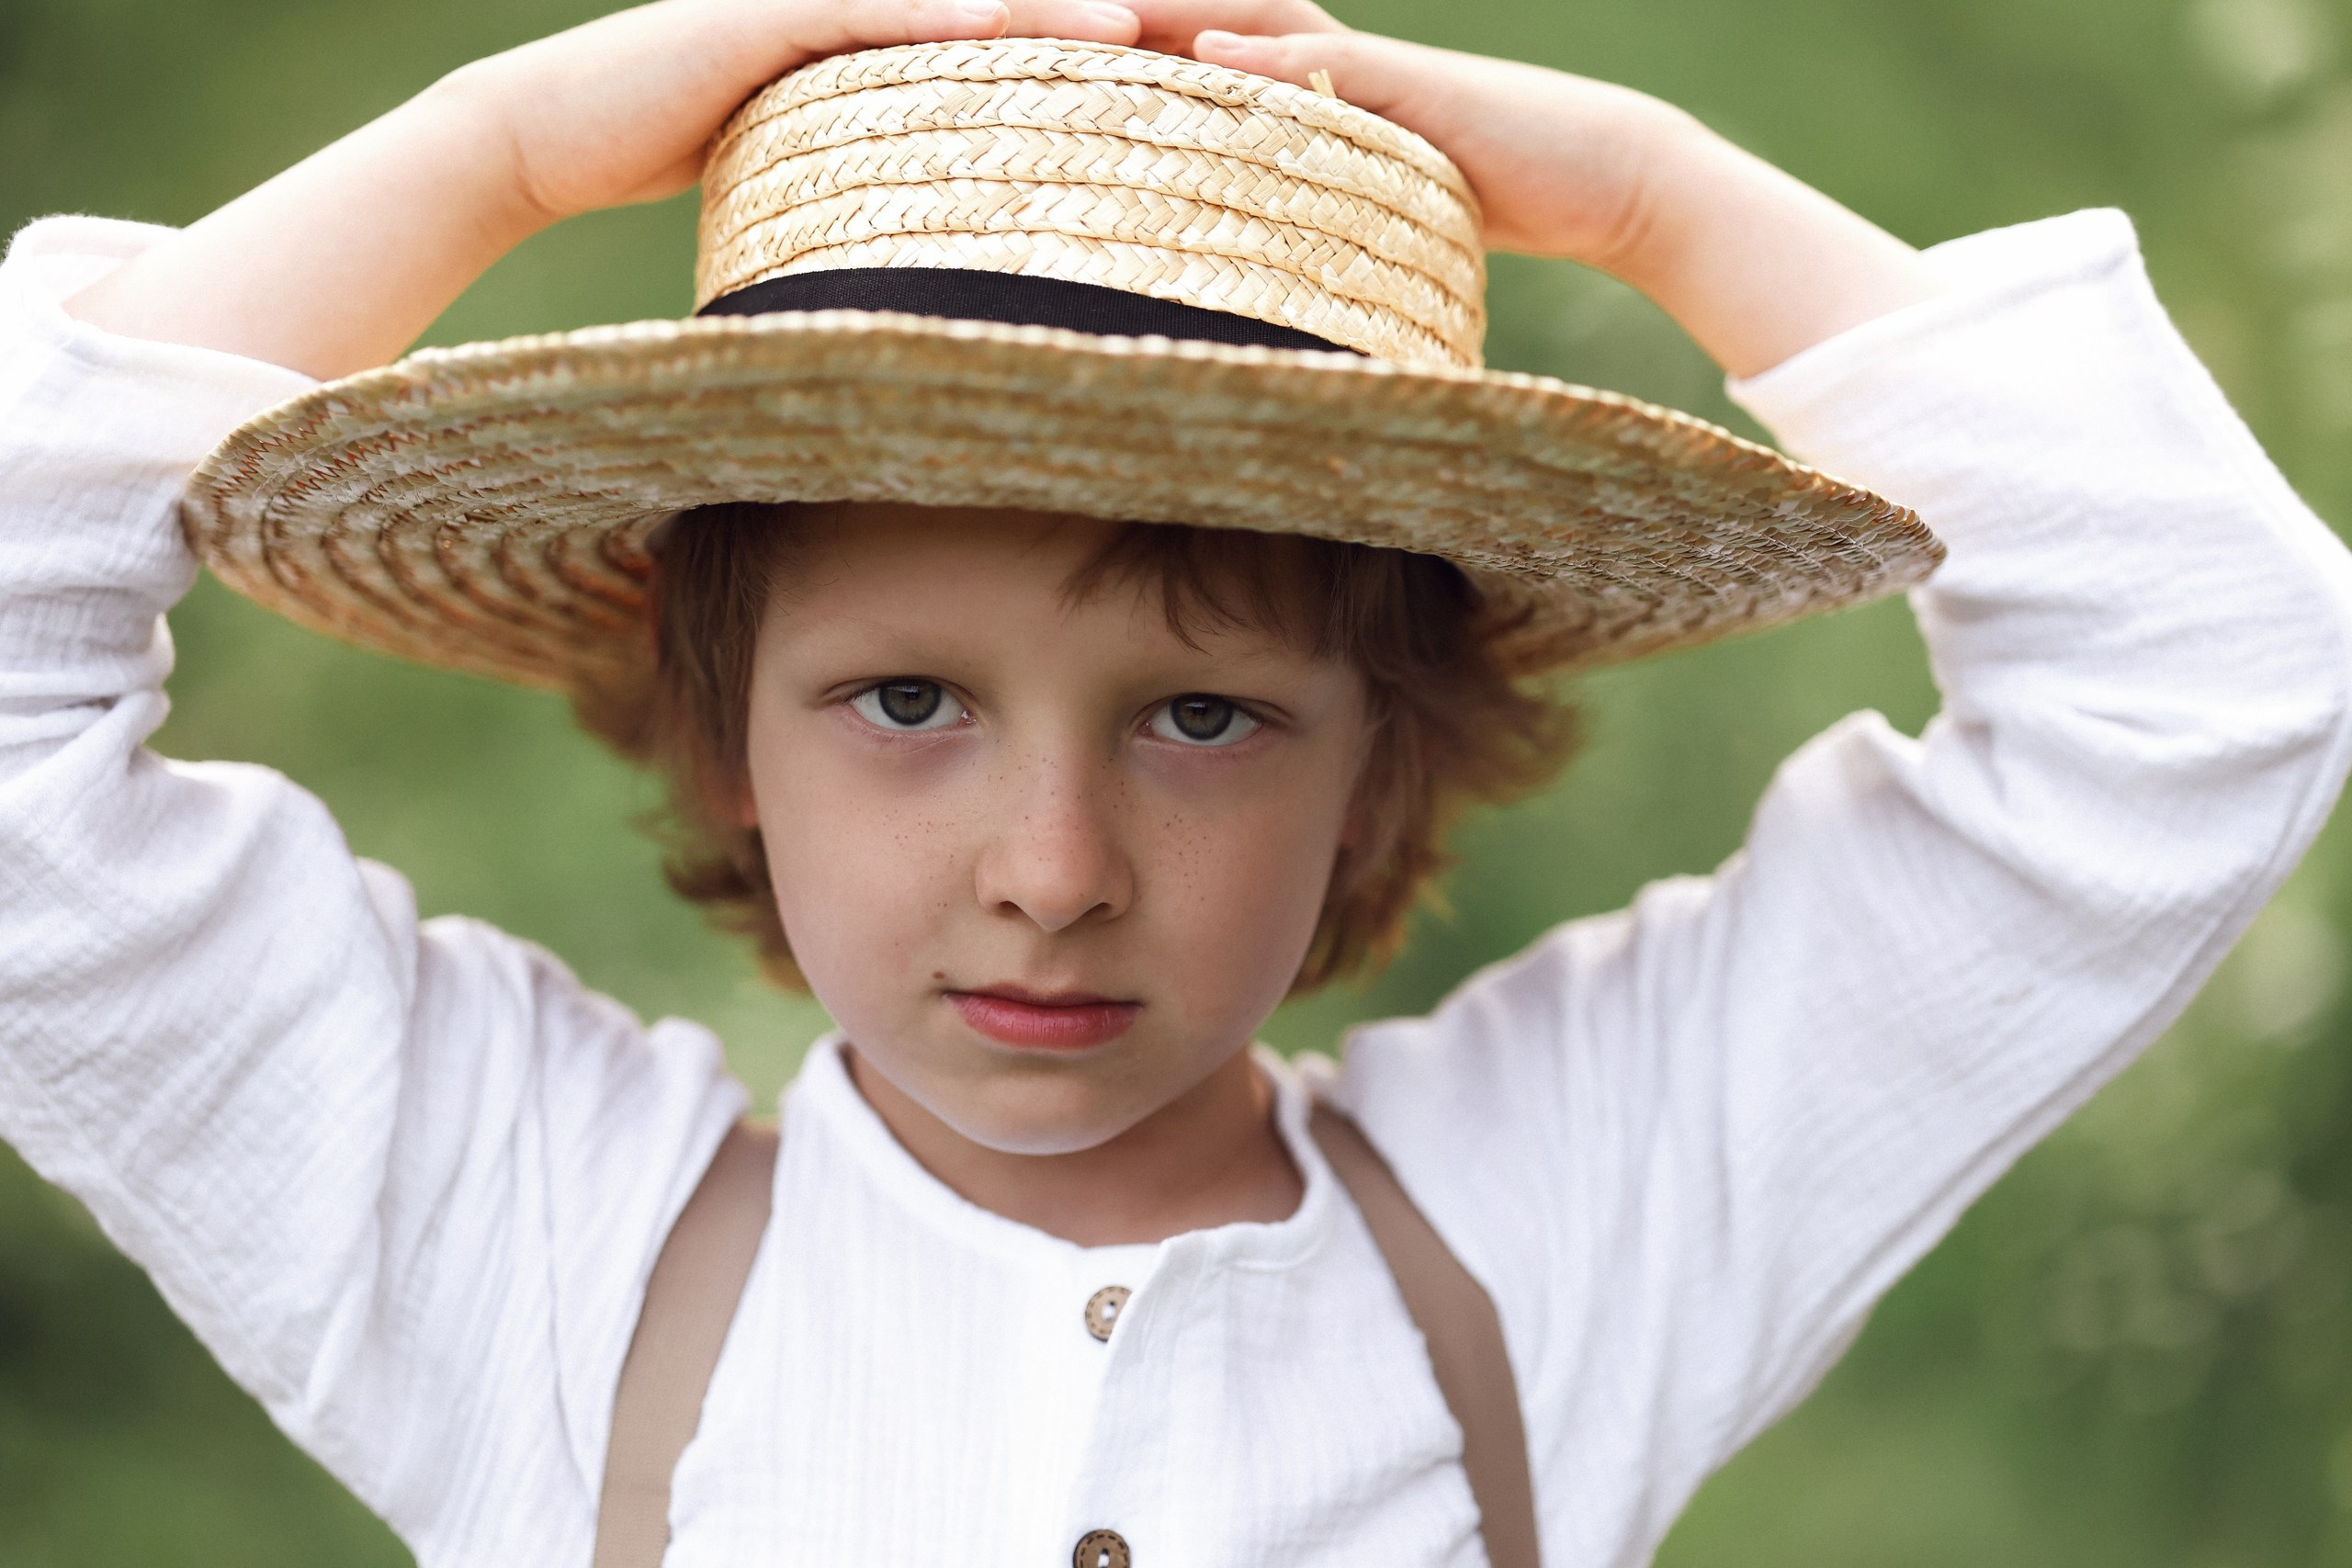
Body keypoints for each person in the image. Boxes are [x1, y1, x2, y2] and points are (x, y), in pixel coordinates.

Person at [5, 0, 2349, 1564]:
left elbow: (2203, 673)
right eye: (904, 700)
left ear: (1375, 757)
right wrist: (503, 143)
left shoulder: (1565, 1213)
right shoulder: (521, 1247)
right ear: (721, 726)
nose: (1051, 872)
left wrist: (1651, 197)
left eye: (1201, 717)